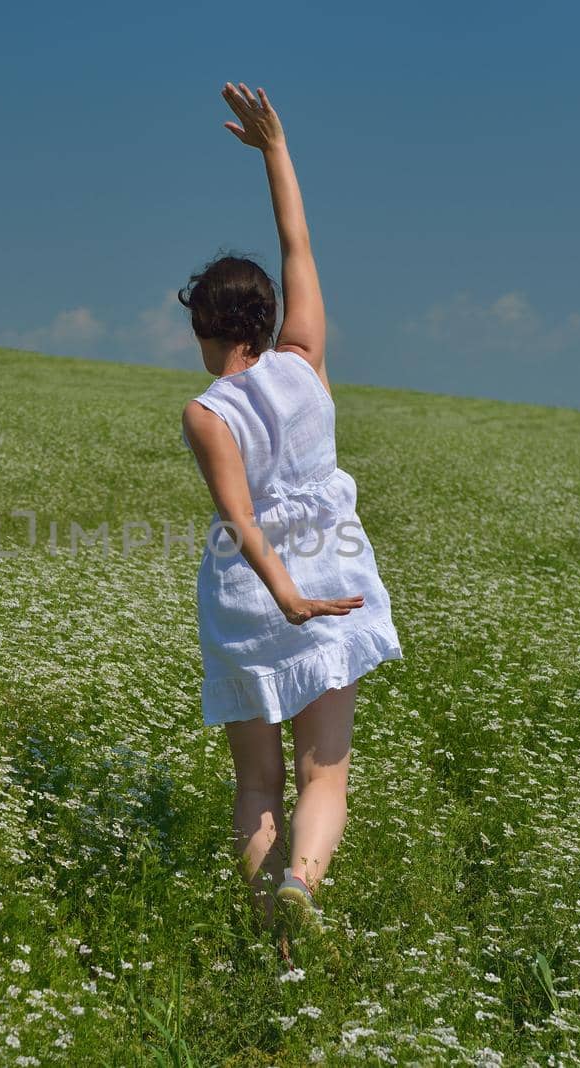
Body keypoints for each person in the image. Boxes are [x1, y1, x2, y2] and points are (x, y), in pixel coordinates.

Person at [179, 82, 404, 963]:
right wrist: (275, 148)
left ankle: (265, 938)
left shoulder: (208, 411)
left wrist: (282, 597)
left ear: (203, 327)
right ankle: (300, 888)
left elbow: (237, 518)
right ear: (267, 322)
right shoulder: (307, 365)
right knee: (326, 772)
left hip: (253, 594)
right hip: (334, 574)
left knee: (257, 778)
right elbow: (297, 243)